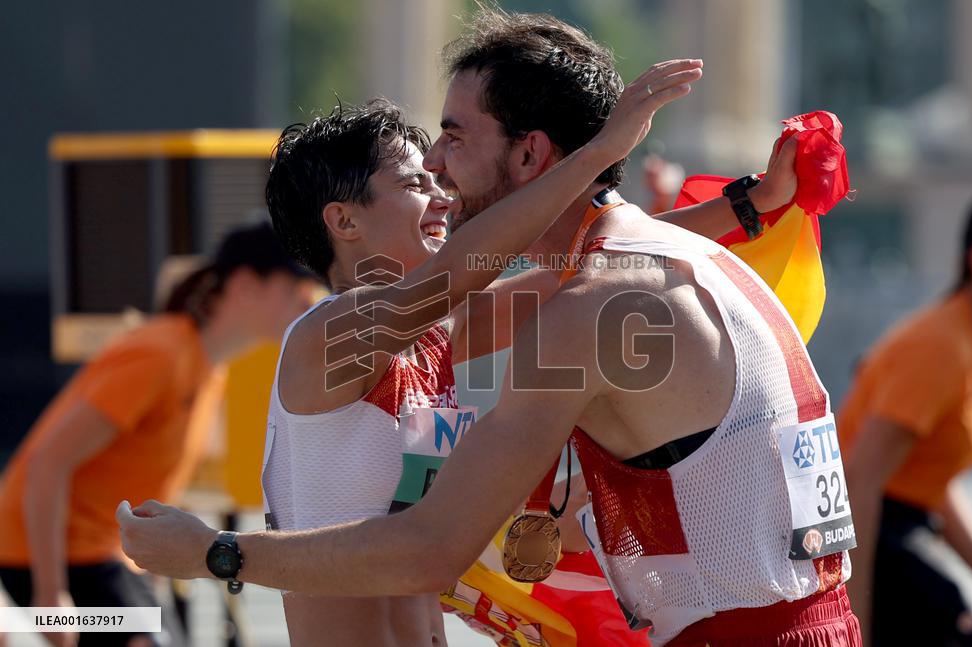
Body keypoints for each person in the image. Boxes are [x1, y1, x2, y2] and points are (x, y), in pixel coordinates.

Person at [118, 9, 861, 647]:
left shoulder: (441, 329)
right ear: (343, 222)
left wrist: (747, 206)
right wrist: (598, 153)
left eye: (445, 154)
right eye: (414, 182)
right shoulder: (328, 335)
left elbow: (588, 264)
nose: (439, 187)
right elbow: (474, 270)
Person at [0, 223, 316, 647]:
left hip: (106, 560)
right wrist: (50, 595)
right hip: (56, 557)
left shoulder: (206, 365)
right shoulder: (158, 355)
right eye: (296, 285)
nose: (308, 299)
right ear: (244, 284)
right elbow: (47, 463)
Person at [838, 188, 972, 646]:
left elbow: (928, 478)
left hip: (902, 522)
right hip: (860, 528)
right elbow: (859, 482)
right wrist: (854, 624)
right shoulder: (942, 347)